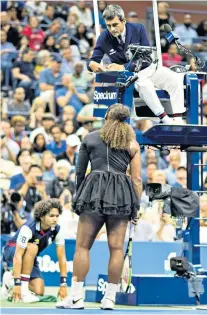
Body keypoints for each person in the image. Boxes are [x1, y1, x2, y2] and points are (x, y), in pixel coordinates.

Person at [56, 103, 142, 310]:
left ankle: (76, 298)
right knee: (116, 248)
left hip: (93, 192)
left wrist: (81, 196)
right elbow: (137, 179)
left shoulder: (90, 138)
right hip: (121, 195)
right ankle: (109, 299)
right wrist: (135, 207)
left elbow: (79, 172)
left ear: (106, 118)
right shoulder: (132, 143)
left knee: (83, 246)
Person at [88, 4, 185, 124]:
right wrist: (92, 65)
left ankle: (178, 118)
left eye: (115, 24)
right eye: (108, 26)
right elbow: (93, 60)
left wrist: (123, 66)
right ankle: (165, 119)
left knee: (174, 78)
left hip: (148, 69)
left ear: (123, 21)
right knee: (145, 85)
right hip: (130, 77)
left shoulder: (138, 28)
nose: (112, 29)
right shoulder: (103, 37)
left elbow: (146, 56)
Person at [2, 199, 68, 303]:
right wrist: (18, 284)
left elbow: (62, 257)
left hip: (30, 254)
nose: (55, 219)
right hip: (12, 250)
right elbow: (17, 256)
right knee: (33, 247)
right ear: (42, 216)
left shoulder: (57, 230)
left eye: (57, 216)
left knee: (39, 290)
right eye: (51, 216)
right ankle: (23, 289)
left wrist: (63, 285)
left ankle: (9, 280)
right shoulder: (28, 228)